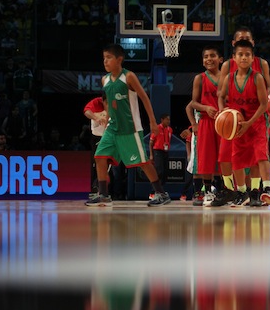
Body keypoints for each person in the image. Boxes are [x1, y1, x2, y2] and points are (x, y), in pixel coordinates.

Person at [86, 44, 171, 207]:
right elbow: (111, 104)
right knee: (99, 157)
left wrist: (153, 121)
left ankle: (161, 193)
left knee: (143, 162)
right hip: (112, 128)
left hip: (130, 129)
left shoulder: (129, 77)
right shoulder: (105, 80)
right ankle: (103, 194)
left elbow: (144, 98)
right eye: (104, 58)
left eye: (109, 58)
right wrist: (106, 118)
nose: (105, 61)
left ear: (119, 59)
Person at [217, 26, 270, 206]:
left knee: (260, 156)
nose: (243, 57)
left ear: (252, 57)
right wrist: (222, 112)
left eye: (247, 54)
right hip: (238, 123)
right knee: (237, 158)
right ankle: (242, 192)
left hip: (256, 122)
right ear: (234, 57)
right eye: (240, 54)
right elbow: (220, 96)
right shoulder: (228, 76)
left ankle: (264, 188)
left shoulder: (257, 77)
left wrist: (249, 122)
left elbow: (264, 103)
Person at [189, 45, 224, 207]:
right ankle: (207, 192)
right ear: (203, 61)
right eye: (206, 57)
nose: (209, 59)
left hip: (224, 123)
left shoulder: (227, 78)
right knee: (206, 158)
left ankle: (224, 191)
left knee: (223, 158)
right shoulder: (200, 78)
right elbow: (193, 103)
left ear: (220, 59)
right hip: (206, 122)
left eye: (212, 55)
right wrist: (206, 108)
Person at [149, 113, 172, 191]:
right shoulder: (157, 128)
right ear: (162, 120)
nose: (168, 121)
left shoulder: (170, 130)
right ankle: (154, 191)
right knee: (159, 171)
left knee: (165, 172)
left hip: (165, 151)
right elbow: (151, 142)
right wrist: (151, 155)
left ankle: (161, 190)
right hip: (157, 151)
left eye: (169, 119)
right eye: (167, 119)